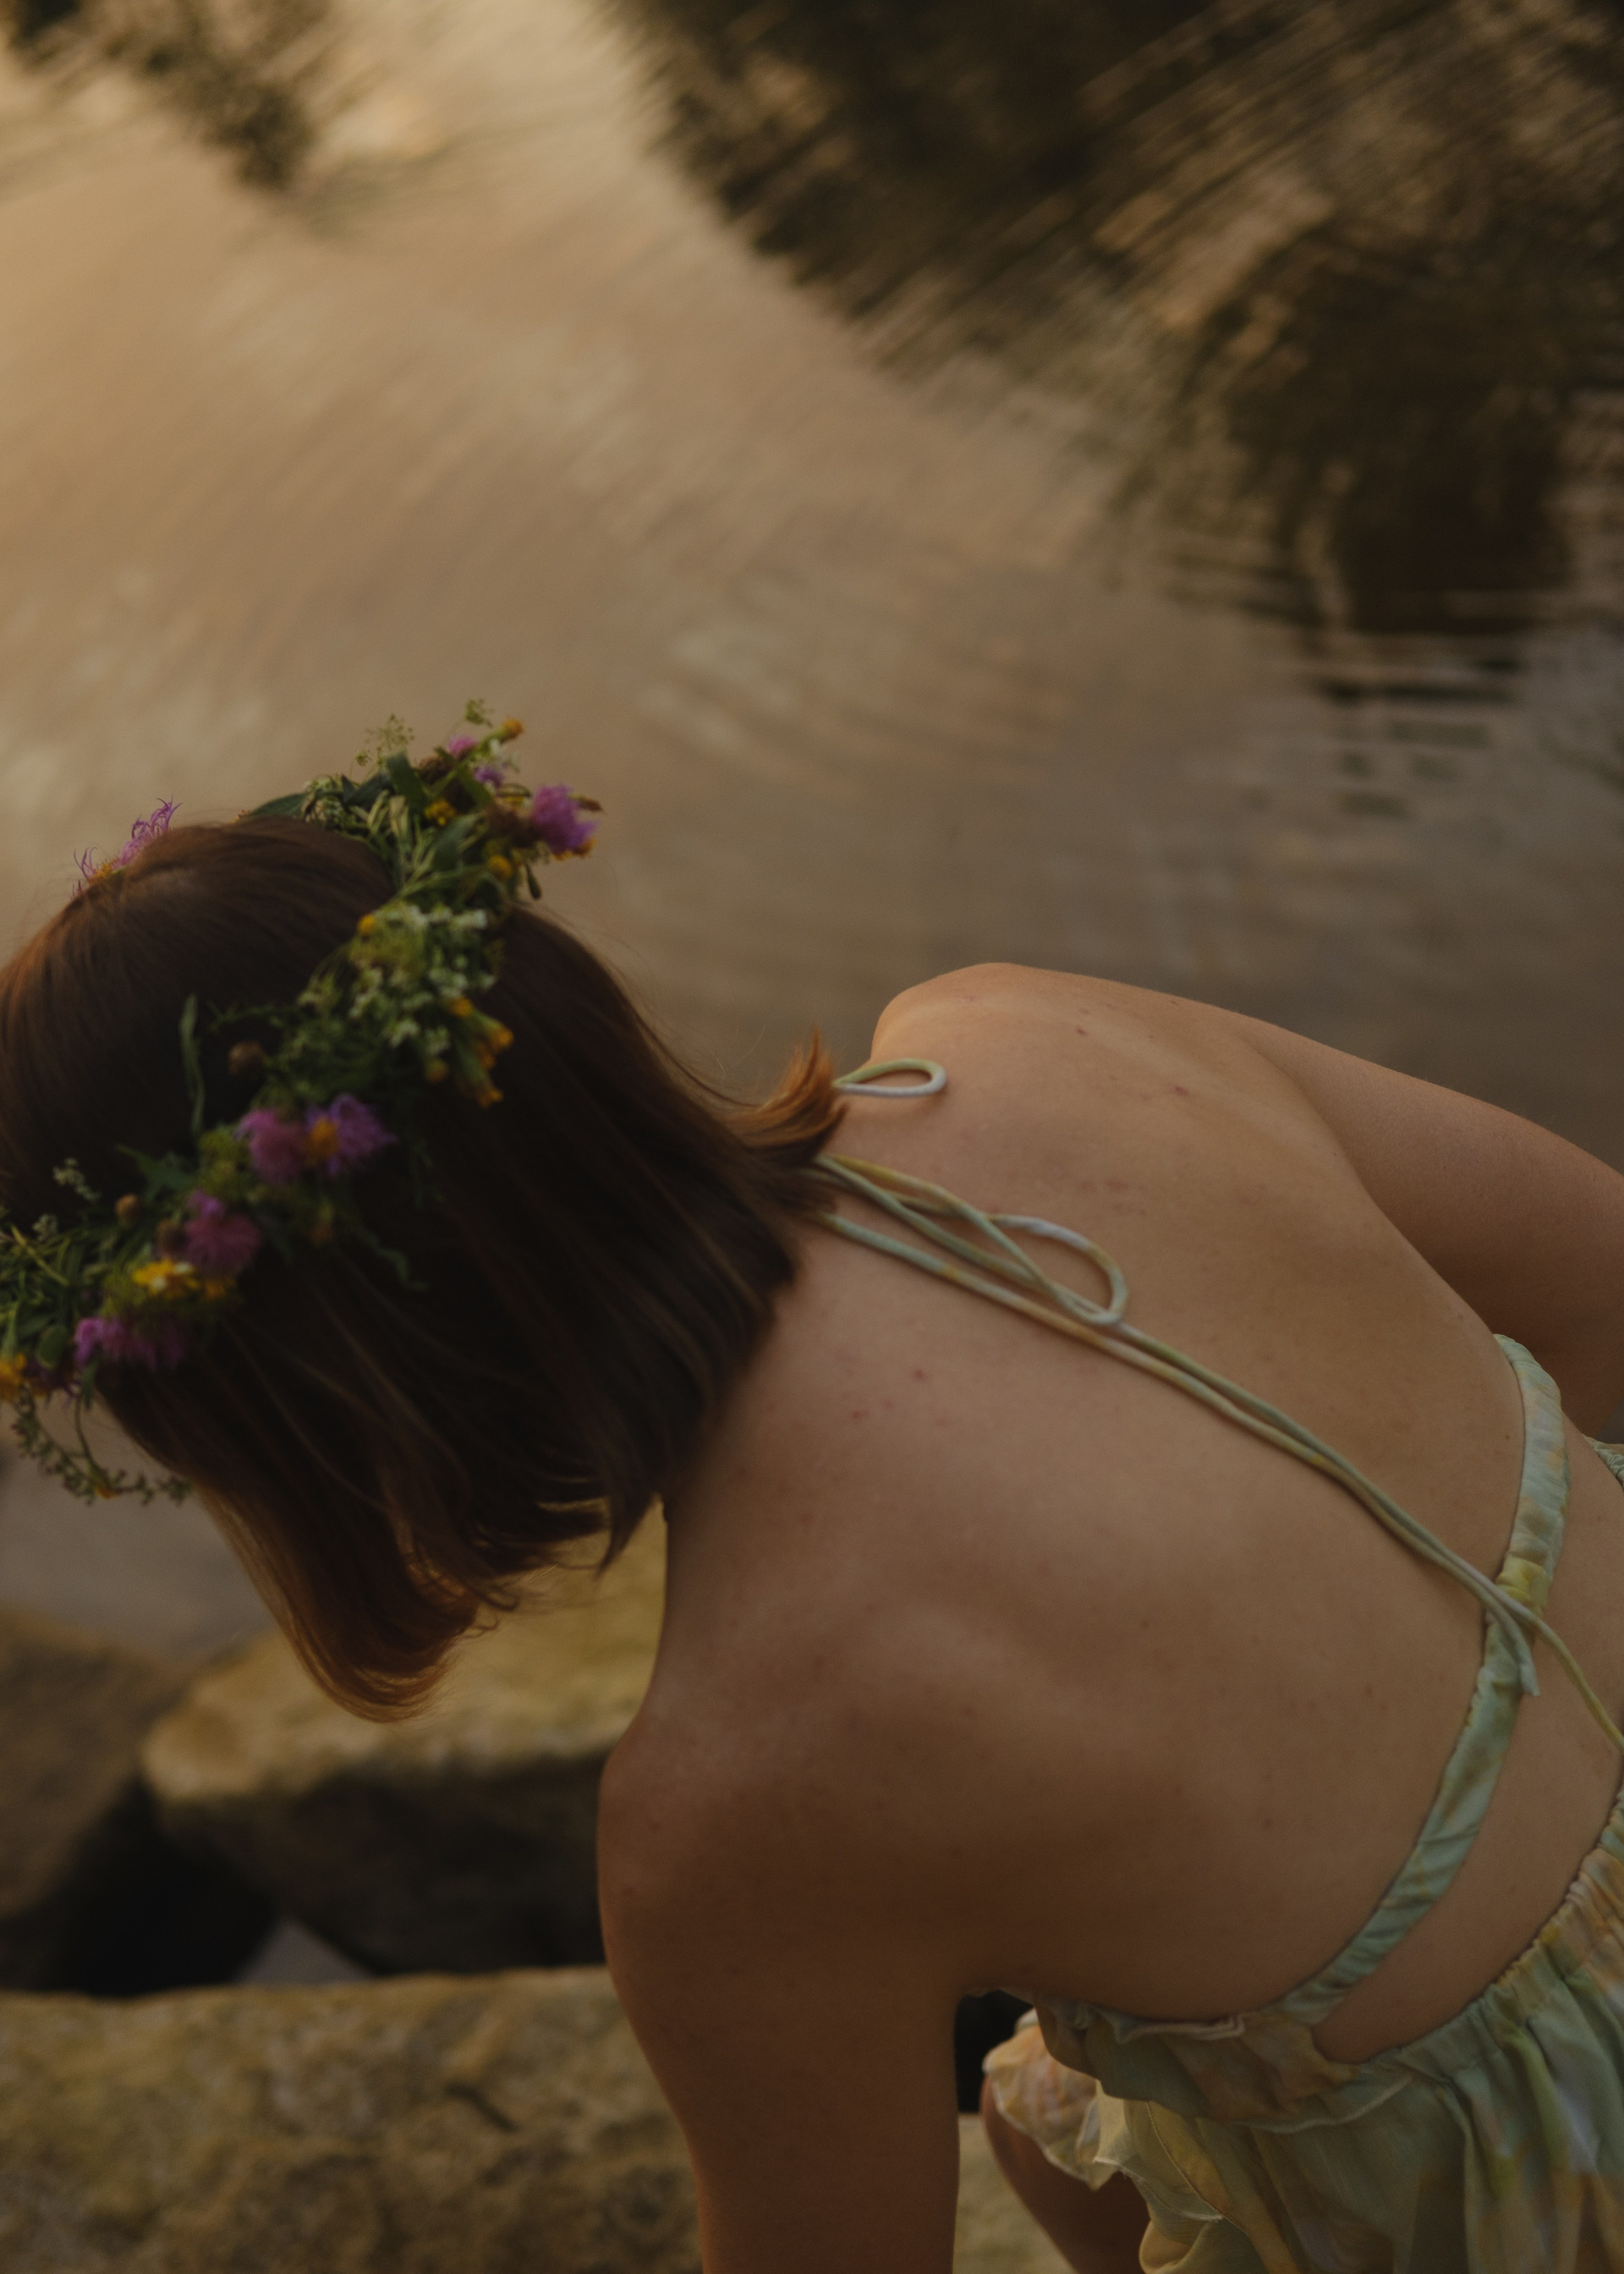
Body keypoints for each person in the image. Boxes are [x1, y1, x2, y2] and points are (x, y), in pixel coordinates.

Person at [4, 723, 1624, 2273]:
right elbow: (1599, 1280)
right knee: (1054, 2135)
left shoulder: (730, 1809)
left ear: (303, 1403)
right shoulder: (1032, 1029)